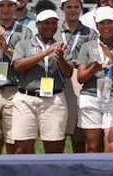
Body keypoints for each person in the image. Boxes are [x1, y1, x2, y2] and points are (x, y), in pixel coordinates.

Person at [11, 9, 73, 154]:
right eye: (46, 23)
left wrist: (61, 58)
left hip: (53, 99)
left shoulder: (61, 46)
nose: (50, 26)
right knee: (22, 148)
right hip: (27, 98)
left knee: (54, 149)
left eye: (53, 23)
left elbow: (68, 73)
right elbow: (18, 66)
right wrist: (45, 52)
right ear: (37, 24)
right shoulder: (24, 44)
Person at [76, 7, 113, 152]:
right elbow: (80, 78)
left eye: (109, 22)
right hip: (91, 97)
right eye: (102, 23)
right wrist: (94, 68)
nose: (106, 26)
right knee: (93, 147)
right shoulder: (87, 46)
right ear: (97, 26)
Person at [0, 0, 34, 155]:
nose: (6, 9)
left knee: (14, 143)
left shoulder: (25, 32)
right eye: (2, 5)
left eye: (9, 5)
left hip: (15, 89)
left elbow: (28, 61)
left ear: (15, 6)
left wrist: (8, 50)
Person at [56, 0, 98, 153]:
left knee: (79, 133)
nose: (72, 10)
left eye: (76, 7)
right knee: (59, 130)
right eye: (69, 7)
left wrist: (80, 62)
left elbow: (94, 56)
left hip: (81, 80)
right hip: (59, 81)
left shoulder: (90, 33)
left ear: (81, 8)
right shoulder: (56, 30)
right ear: (62, 8)